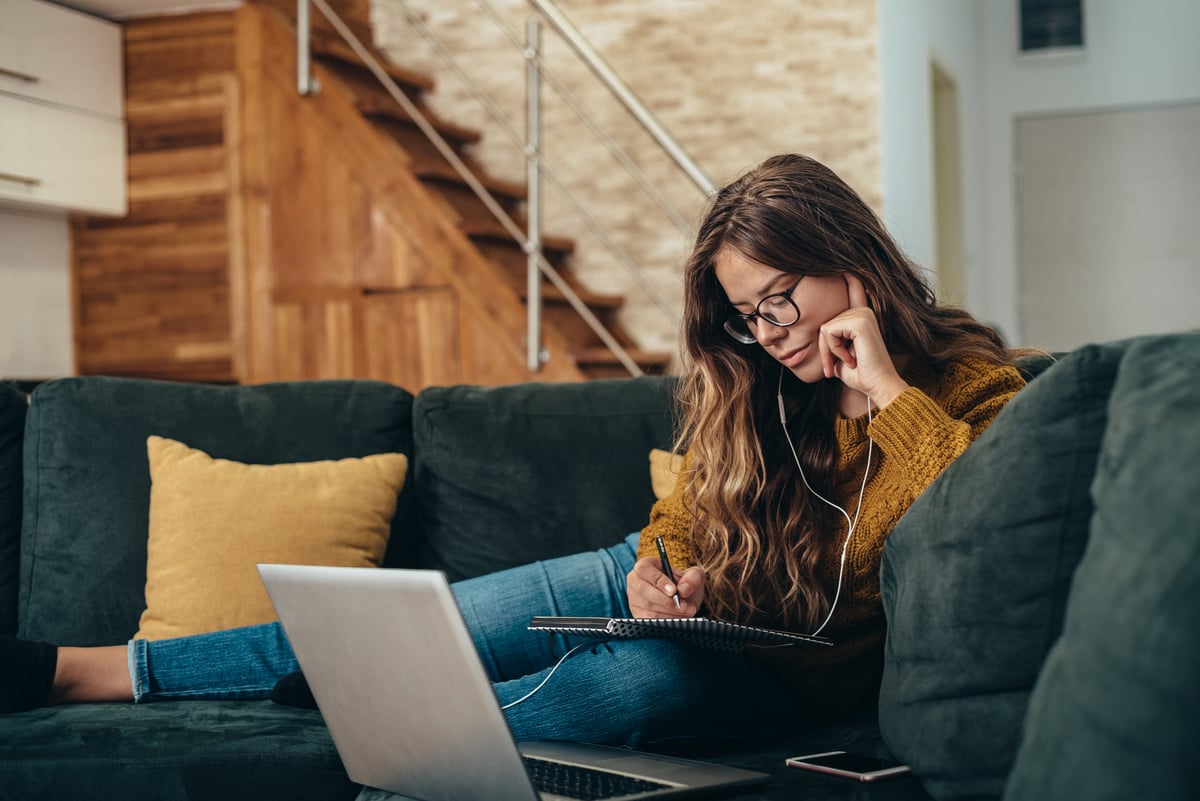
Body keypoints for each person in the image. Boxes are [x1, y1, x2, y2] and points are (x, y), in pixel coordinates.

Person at [1, 153, 1027, 749]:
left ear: (849, 261)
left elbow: (973, 525)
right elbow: (685, 512)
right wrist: (661, 572)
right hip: (697, 615)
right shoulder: (758, 386)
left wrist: (884, 391)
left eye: (778, 302)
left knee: (611, 690)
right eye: (746, 318)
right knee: (414, 628)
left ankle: (364, 739)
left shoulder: (970, 388)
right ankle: (81, 672)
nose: (769, 335)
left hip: (781, 679)